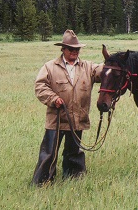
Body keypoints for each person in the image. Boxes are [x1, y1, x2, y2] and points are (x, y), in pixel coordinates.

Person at [31, 29, 103, 186]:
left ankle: (73, 179)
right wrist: (53, 98)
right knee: (49, 152)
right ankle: (42, 182)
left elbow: (102, 71)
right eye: (71, 49)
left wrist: (114, 63)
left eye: (77, 49)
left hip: (77, 119)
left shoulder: (88, 67)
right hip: (56, 119)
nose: (74, 52)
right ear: (63, 49)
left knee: (73, 152)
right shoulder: (50, 67)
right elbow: (40, 87)